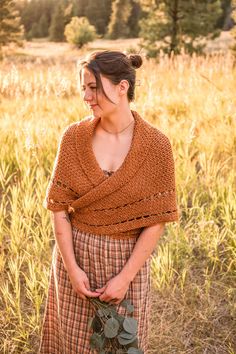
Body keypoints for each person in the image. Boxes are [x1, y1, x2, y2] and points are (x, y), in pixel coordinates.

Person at [39, 50, 179, 353]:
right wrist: (72, 269)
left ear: (122, 87)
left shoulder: (156, 145)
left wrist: (124, 278)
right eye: (83, 88)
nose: (87, 97)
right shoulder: (73, 138)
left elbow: (156, 220)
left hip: (127, 264)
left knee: (122, 345)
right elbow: (59, 209)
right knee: (72, 344)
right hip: (75, 261)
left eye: (93, 87)